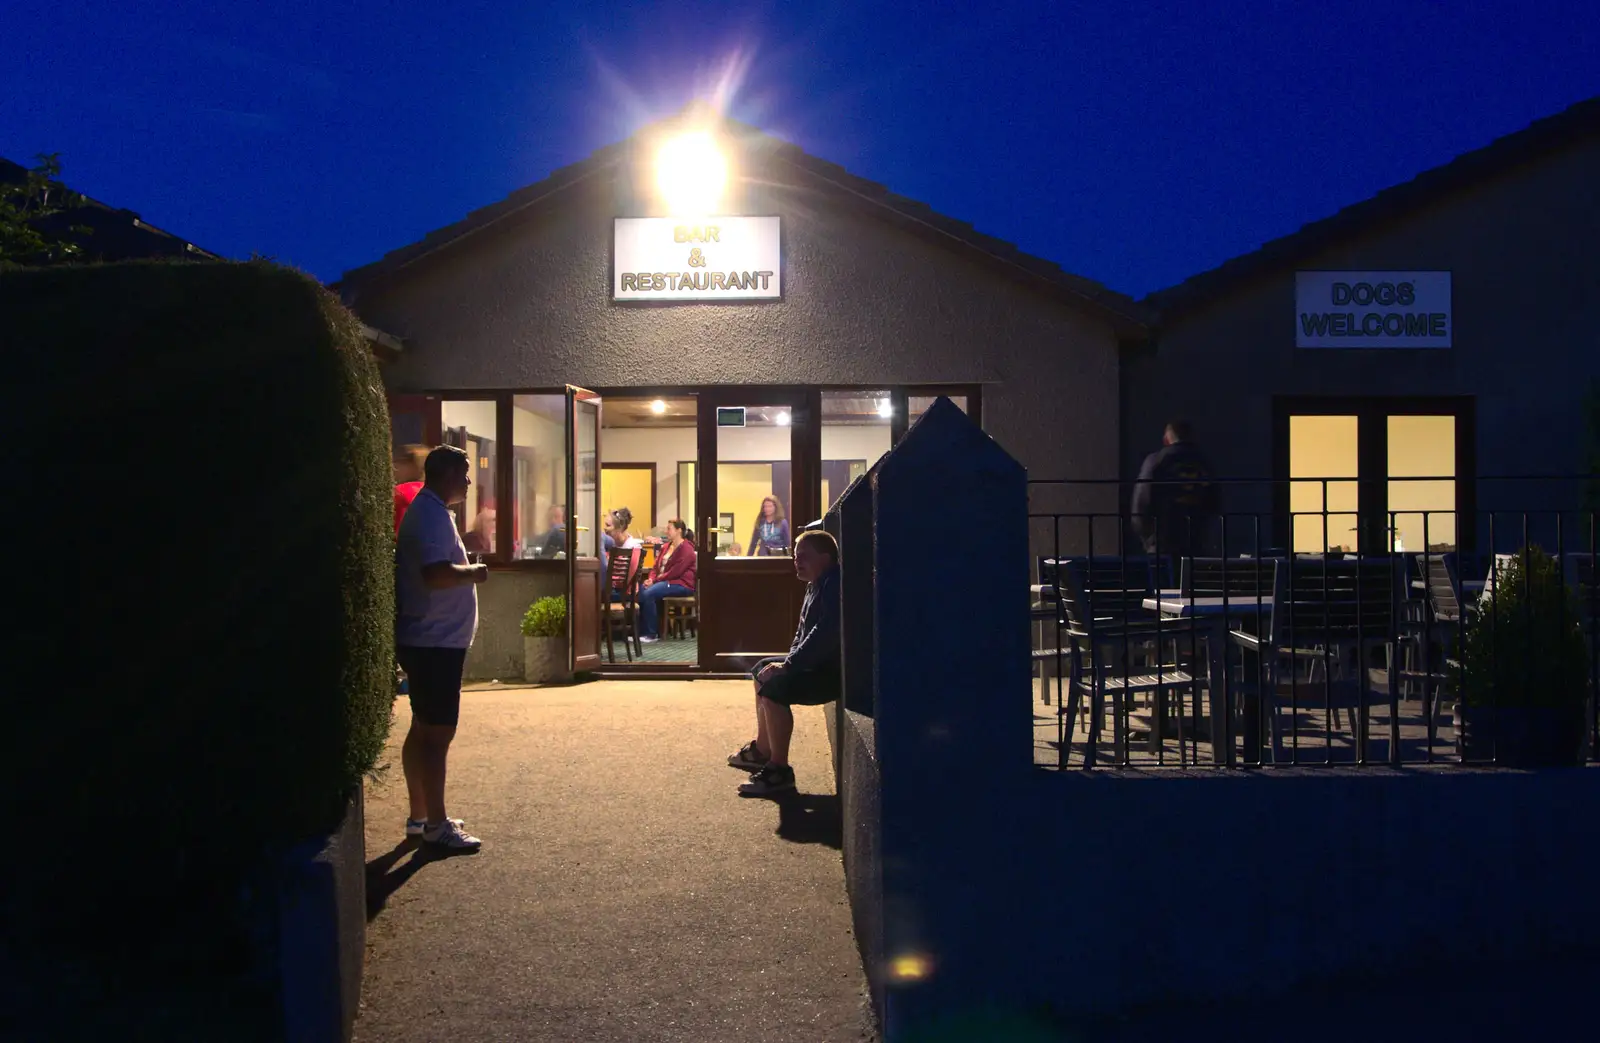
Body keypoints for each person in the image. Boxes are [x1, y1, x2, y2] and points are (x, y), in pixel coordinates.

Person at [394, 445, 489, 850]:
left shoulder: (430, 511)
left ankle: (421, 816)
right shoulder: (430, 514)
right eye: (465, 474)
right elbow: (435, 573)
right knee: (437, 734)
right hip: (434, 641)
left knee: (422, 729)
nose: (469, 482)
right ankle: (435, 824)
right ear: (448, 474)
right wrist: (475, 571)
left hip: (429, 639)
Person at [727, 529, 841, 796]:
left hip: (834, 672)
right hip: (816, 664)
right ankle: (763, 750)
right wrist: (787, 662)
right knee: (762, 670)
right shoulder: (816, 584)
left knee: (775, 689)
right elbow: (802, 635)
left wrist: (789, 666)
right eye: (794, 557)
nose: (796, 562)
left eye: (803, 557)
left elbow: (826, 633)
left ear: (825, 559)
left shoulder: (834, 584)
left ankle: (780, 771)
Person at [1131, 419, 1220, 558]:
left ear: (1166, 439)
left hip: (1163, 543)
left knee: (1164, 579)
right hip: (1198, 542)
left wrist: (1149, 540)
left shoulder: (1156, 461)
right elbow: (1216, 502)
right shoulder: (1206, 463)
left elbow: (1142, 503)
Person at [636, 519, 697, 642]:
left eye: (669, 528)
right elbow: (655, 566)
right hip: (664, 581)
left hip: (681, 584)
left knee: (649, 593)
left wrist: (656, 580)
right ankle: (643, 631)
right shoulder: (666, 547)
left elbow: (676, 572)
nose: (666, 531)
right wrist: (651, 578)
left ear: (678, 530)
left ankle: (651, 634)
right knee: (640, 590)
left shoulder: (687, 549)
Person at [392, 444, 430, 536]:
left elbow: (397, 533)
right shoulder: (431, 493)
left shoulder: (402, 493)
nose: (395, 467)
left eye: (401, 462)